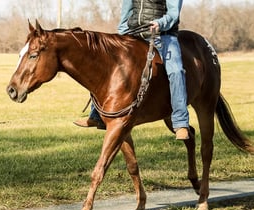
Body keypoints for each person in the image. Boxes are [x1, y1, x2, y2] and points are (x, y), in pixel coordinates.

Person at [74, 0, 189, 140]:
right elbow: (126, 11)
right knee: (109, 64)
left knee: (176, 71)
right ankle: (96, 115)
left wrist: (160, 23)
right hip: (135, 33)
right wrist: (120, 35)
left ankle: (180, 122)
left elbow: (173, 13)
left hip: (163, 34)